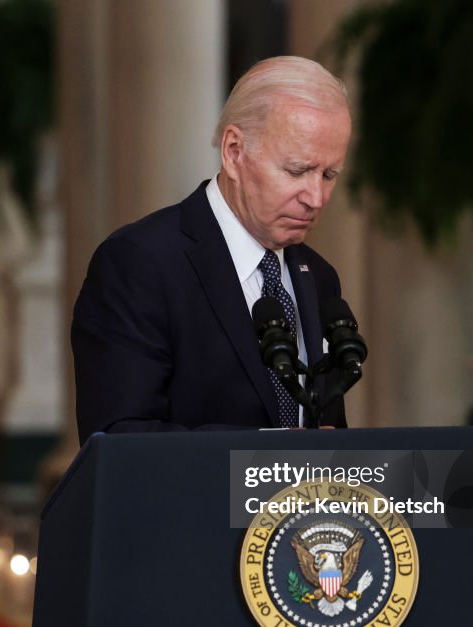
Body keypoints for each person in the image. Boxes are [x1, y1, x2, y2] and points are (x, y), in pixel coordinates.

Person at [72, 56, 353, 445]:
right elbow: (120, 437)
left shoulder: (319, 278)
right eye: (296, 170)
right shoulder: (140, 263)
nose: (316, 197)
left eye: (328, 175)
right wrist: (269, 452)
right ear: (234, 151)